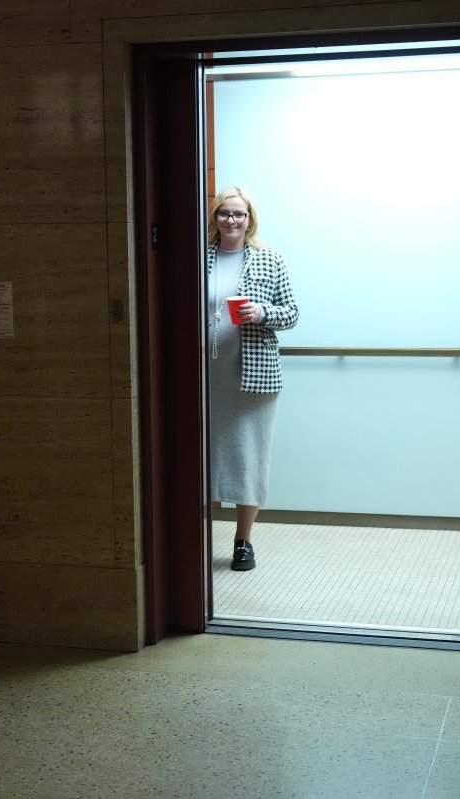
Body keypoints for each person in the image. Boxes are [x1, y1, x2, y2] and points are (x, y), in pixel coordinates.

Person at [206, 186, 299, 571]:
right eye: (224, 213)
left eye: (239, 214)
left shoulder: (269, 259)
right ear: (214, 218)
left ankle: (243, 541)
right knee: (200, 456)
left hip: (252, 376)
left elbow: (292, 313)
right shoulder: (196, 258)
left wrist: (261, 312)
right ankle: (196, 539)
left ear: (250, 219)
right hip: (204, 376)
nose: (231, 220)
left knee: (249, 456)